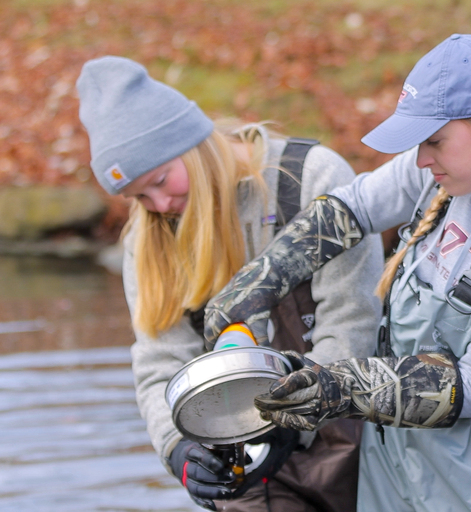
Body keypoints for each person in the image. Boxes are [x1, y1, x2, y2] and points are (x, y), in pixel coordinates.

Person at [201, 33, 471, 511]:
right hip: (395, 477)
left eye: (434, 141)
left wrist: (341, 388)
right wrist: (259, 281)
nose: (419, 159)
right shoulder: (445, 172)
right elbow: (350, 209)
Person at [76, 56, 384, 512]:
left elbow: (353, 320)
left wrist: (290, 420)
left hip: (353, 443)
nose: (159, 204)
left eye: (162, 180)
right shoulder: (147, 238)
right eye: (139, 196)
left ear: (194, 144)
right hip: (244, 471)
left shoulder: (312, 179)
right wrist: (179, 451)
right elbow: (160, 360)